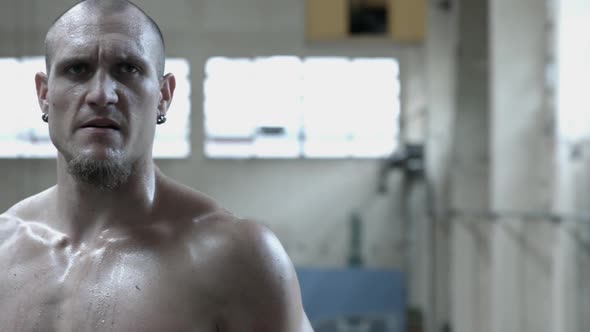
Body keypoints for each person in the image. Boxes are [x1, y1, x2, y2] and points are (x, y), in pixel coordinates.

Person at [0, 0, 313, 331]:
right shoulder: (4, 249)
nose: (102, 94)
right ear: (44, 94)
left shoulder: (238, 259)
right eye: (77, 69)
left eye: (128, 69)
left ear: (164, 95)